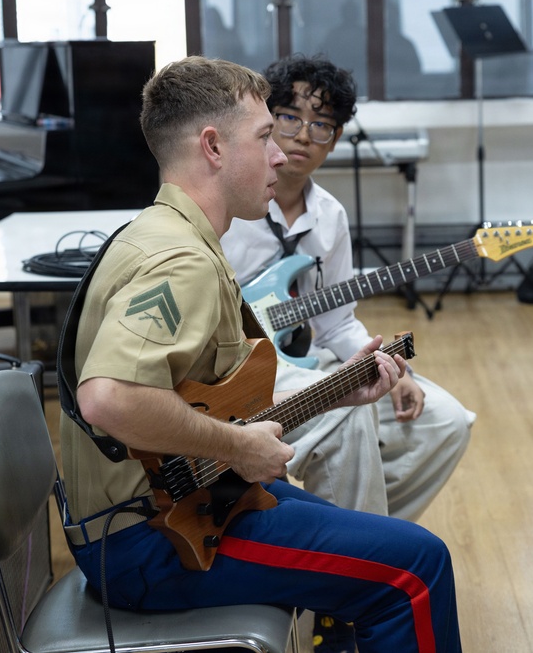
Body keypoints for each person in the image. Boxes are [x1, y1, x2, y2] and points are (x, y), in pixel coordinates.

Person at [59, 55, 461, 652]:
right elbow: (108, 399)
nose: (282, 153)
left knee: (379, 539)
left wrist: (338, 389)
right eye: (267, 135)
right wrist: (238, 446)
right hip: (149, 539)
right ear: (214, 148)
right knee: (416, 568)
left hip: (179, 503)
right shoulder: (184, 260)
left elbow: (206, 397)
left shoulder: (168, 230)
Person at [221, 54, 474, 651]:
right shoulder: (227, 205)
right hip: (239, 377)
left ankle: (350, 552)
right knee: (350, 412)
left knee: (444, 419)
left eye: (323, 124)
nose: (303, 136)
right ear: (262, 118)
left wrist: (382, 360)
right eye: (288, 116)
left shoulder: (328, 216)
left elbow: (334, 320)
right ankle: (349, 608)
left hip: (304, 362)